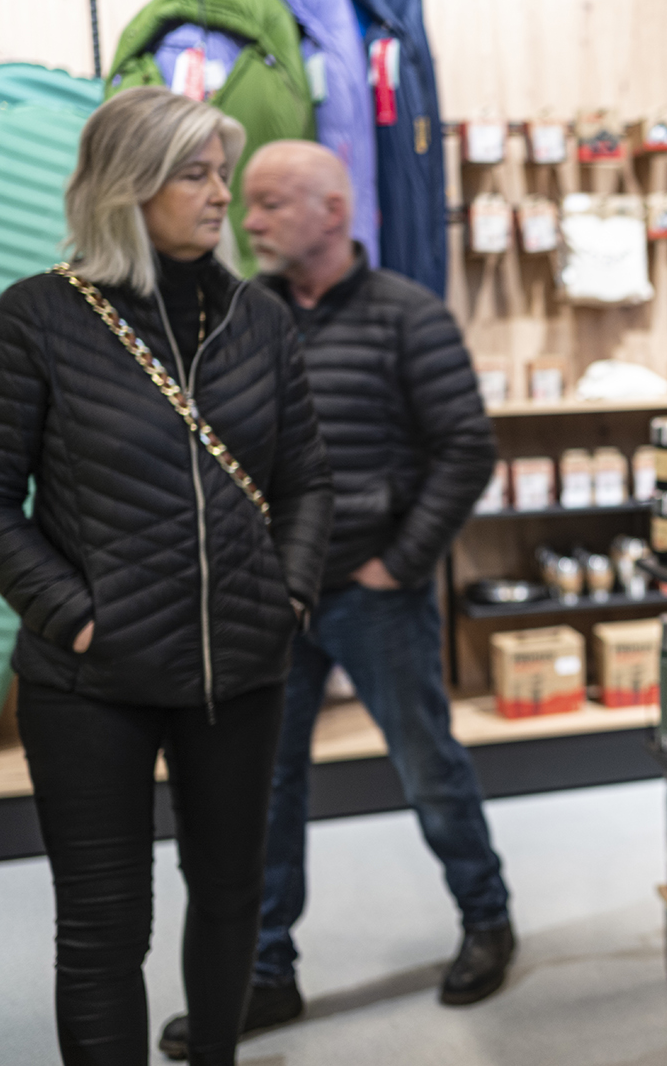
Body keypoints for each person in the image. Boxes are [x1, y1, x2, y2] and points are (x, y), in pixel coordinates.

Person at [0, 88, 334, 1066]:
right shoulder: (38, 315)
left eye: (221, 169)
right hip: (91, 683)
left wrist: (284, 598)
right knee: (105, 930)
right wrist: (74, 615)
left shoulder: (259, 319)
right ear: (130, 185)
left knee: (232, 896)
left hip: (239, 671)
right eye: (195, 172)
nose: (220, 194)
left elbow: (307, 482)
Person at [157, 140, 509, 1057]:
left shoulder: (409, 316)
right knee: (265, 789)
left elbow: (466, 448)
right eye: (251, 201)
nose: (250, 216)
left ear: (333, 212)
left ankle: (488, 920)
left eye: (272, 202)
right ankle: (266, 974)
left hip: (373, 591)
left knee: (428, 764)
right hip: (273, 597)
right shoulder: (238, 313)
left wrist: (401, 561)